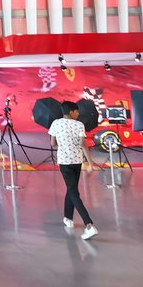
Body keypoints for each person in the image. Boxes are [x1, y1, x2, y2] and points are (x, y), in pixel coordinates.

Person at [48, 100, 98, 240]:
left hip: (64, 162)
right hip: (77, 161)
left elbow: (52, 143)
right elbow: (83, 145)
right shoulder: (79, 125)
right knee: (72, 190)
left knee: (72, 191)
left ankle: (89, 225)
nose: (78, 113)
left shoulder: (56, 123)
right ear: (71, 112)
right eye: (77, 111)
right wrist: (90, 163)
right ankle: (68, 218)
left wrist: (62, 141)